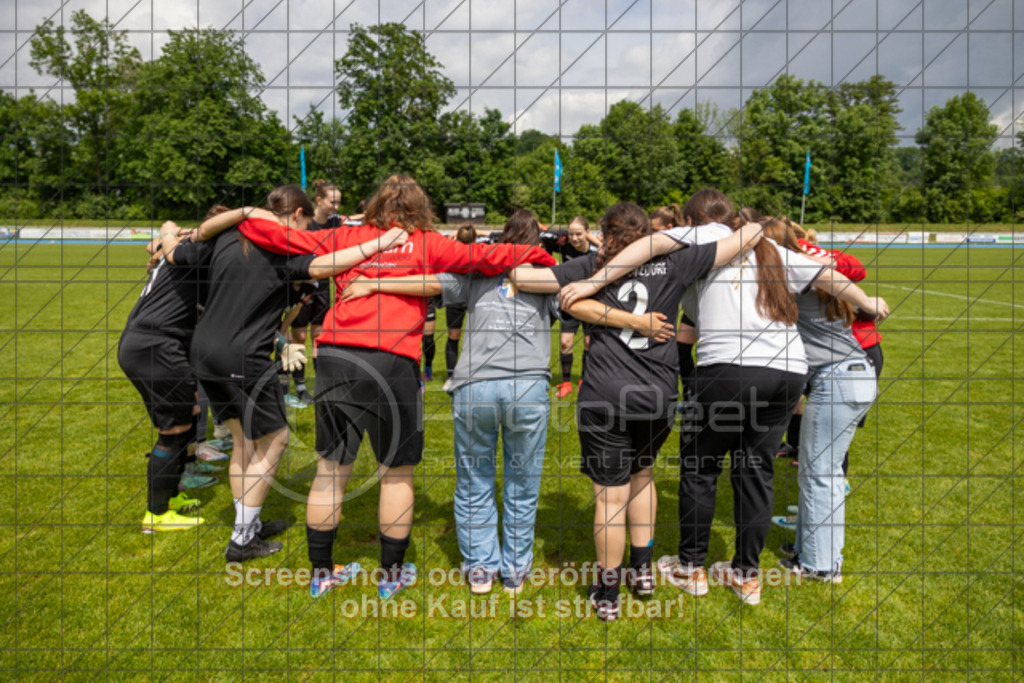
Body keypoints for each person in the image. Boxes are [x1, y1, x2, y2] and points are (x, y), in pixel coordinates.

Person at [559, 188, 887, 606]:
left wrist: (595, 278)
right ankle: (746, 575)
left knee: (700, 469)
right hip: (787, 371)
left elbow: (655, 243)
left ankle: (691, 568)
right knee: (756, 472)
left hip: (727, 368)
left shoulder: (703, 238)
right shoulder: (765, 245)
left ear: (693, 221)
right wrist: (867, 302)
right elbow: (827, 276)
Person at [235, 174, 557, 599]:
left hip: (336, 355)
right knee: (396, 473)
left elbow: (278, 236)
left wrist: (241, 216)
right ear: (419, 207)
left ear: (374, 204)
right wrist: (540, 254)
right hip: (393, 359)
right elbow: (488, 255)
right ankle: (391, 574)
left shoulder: (345, 237)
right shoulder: (427, 242)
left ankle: (321, 572)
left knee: (330, 471)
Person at [510, 202, 761, 621]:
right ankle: (642, 572)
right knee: (642, 476)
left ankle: (608, 591)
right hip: (657, 394)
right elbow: (746, 237)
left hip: (605, 393)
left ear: (606, 234)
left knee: (610, 497)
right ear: (648, 232)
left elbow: (520, 276)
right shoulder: (677, 261)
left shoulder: (591, 264)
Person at [340, 210, 559, 596]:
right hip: (526, 389)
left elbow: (426, 284)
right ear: (537, 243)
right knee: (523, 483)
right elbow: (578, 300)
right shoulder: (548, 275)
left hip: (476, 388)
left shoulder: (477, 269)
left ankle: (480, 568)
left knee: (474, 479)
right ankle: (513, 569)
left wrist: (375, 282)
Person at [190, 186, 409, 563]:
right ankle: (242, 539)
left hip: (203, 349)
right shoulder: (280, 251)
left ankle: (249, 524)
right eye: (305, 223)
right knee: (275, 439)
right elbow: (324, 266)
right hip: (242, 354)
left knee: (243, 441)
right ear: (296, 217)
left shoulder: (231, 237)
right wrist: (380, 244)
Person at [761, 217, 886, 582]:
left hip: (840, 380)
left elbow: (839, 274)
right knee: (819, 473)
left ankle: (821, 564)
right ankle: (810, 550)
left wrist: (866, 301)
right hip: (846, 378)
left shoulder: (798, 272)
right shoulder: (804, 271)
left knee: (820, 474)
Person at [118, 223, 216, 533]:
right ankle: (157, 515)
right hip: (157, 346)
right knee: (173, 431)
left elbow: (153, 246)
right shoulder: (196, 253)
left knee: (189, 415)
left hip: (146, 343)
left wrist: (173, 232)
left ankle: (170, 498)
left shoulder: (184, 248)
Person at [286, 179, 344, 405]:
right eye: (333, 202)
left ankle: (320, 387)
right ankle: (298, 388)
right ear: (319, 200)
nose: (336, 207)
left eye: (339, 202)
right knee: (298, 336)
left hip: (323, 287)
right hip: (302, 285)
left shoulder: (337, 223)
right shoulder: (305, 224)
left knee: (319, 337)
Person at [540, 216, 601, 398]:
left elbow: (609, 251)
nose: (574, 238)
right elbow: (541, 237)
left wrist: (593, 240)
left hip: (592, 301)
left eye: (579, 234)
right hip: (569, 301)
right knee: (565, 342)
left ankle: (584, 380)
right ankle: (566, 383)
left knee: (589, 343)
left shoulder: (596, 250)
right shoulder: (564, 244)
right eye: (571, 234)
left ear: (588, 234)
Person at [441, 224, 477, 392]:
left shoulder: (479, 251)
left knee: (469, 337)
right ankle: (451, 376)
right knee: (455, 336)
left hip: (473, 298)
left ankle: (471, 374)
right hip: (457, 299)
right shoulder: (451, 251)